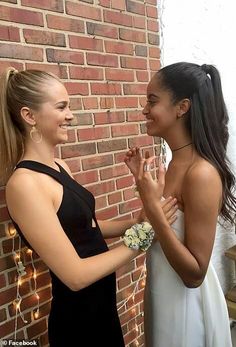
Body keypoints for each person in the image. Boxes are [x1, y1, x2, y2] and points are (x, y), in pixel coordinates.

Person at [0, 67, 176, 347]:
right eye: (61, 107)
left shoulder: (60, 167)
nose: (70, 115)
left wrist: (138, 221)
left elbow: (86, 229)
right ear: (29, 116)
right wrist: (142, 235)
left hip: (102, 308)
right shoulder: (24, 184)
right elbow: (75, 275)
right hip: (78, 322)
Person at [124, 62, 236, 347]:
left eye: (152, 101)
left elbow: (194, 275)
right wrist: (142, 187)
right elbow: (150, 229)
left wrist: (152, 207)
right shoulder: (174, 163)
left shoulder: (201, 173)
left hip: (186, 307)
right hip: (162, 293)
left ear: (181, 107)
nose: (144, 110)